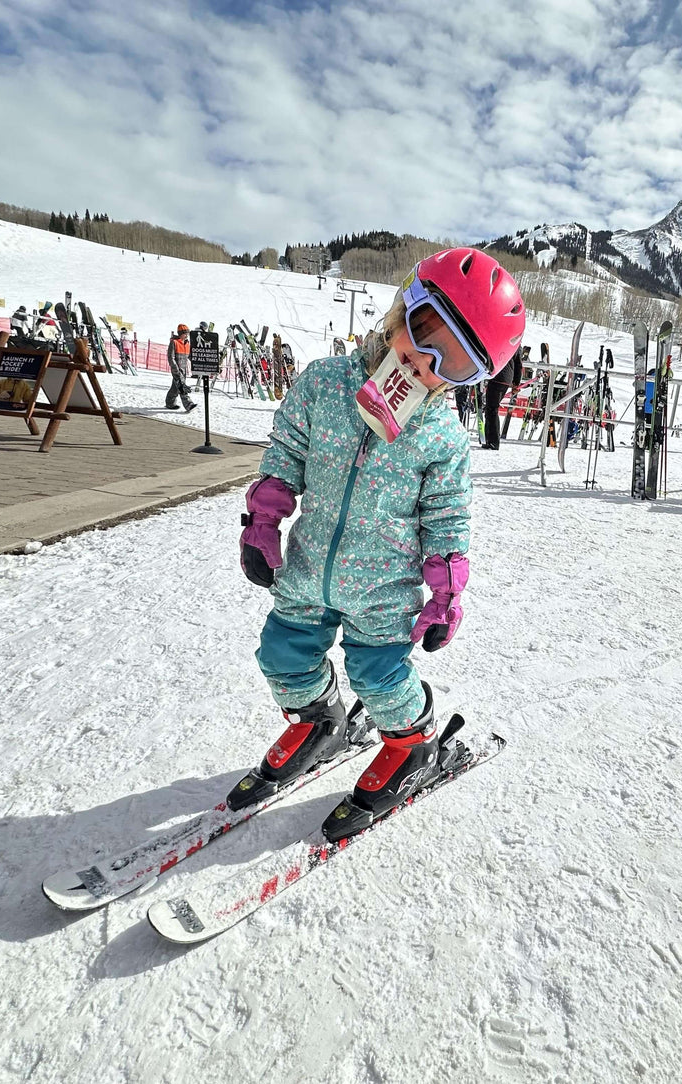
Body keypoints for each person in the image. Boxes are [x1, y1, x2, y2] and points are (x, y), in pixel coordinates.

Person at [232, 247, 524, 842]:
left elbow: (447, 518)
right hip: (309, 569)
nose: (428, 364)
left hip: (383, 591)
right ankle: (319, 719)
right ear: (401, 310)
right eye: (425, 333)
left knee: (381, 678)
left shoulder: (442, 436)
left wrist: (445, 593)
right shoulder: (324, 384)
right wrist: (263, 522)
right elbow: (285, 453)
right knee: (281, 658)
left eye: (458, 364)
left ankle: (412, 741)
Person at [481, 344, 524, 450]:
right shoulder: (517, 344)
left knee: (491, 409)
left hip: (498, 376)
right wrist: (516, 383)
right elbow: (518, 364)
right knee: (491, 408)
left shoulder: (503, 339)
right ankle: (489, 439)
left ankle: (493, 441)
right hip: (506, 378)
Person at [165, 324, 197, 412]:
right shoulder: (174, 342)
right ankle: (188, 404)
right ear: (180, 334)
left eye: (188, 334)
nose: (187, 335)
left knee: (175, 388)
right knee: (182, 386)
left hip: (184, 369)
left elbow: (189, 356)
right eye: (185, 333)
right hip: (176, 369)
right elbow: (170, 357)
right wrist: (175, 369)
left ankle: (170, 403)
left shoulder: (187, 344)